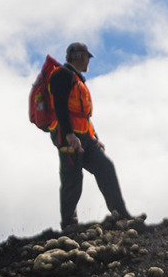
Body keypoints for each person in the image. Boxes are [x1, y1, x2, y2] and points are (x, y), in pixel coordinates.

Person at [49, 42, 131, 229]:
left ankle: (121, 215)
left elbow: (83, 115)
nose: (89, 62)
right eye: (87, 57)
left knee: (106, 168)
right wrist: (69, 134)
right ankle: (69, 224)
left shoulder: (77, 79)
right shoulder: (62, 75)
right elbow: (60, 107)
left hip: (85, 136)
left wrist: (94, 137)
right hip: (68, 136)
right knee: (72, 178)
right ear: (79, 57)